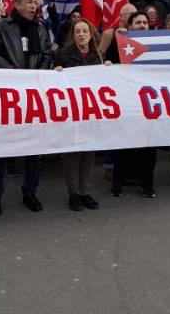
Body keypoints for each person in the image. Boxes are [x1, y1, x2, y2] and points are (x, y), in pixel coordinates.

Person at [0, 0, 53, 215]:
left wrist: (36, 77)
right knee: (1, 151)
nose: (34, 6)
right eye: (30, 2)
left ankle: (30, 192)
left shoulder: (41, 28)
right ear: (18, 4)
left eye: (36, 2)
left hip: (32, 95)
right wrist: (15, 75)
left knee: (34, 149)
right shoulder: (1, 27)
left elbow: (47, 55)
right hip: (8, 96)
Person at [54, 19, 107, 211]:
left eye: (85, 31)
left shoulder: (98, 55)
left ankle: (85, 192)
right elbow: (54, 82)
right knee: (72, 153)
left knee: (88, 153)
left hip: (91, 111)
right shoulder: (64, 54)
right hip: (71, 111)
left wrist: (108, 69)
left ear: (91, 34)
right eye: (78, 32)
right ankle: (74, 194)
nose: (81, 34)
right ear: (73, 35)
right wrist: (56, 72)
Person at [111, 11, 158, 198]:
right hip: (127, 101)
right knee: (123, 145)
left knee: (149, 146)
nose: (142, 25)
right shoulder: (120, 43)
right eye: (138, 22)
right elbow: (110, 63)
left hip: (150, 102)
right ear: (130, 27)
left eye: (145, 22)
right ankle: (117, 183)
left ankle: (148, 184)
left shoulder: (158, 44)